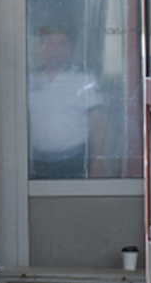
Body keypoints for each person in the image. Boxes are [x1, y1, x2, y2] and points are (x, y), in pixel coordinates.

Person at [27, 27, 107, 179]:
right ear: (41, 47)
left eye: (62, 43)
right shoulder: (31, 80)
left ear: (69, 48)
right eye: (51, 43)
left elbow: (99, 123)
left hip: (73, 162)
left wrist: (98, 161)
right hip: (38, 163)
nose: (57, 49)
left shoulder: (84, 79)